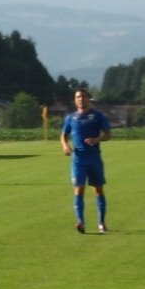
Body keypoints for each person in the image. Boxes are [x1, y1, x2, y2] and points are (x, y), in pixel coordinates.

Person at [61, 89, 112, 233]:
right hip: (78, 159)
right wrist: (65, 146)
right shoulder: (71, 118)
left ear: (88, 99)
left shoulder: (97, 116)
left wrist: (97, 139)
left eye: (83, 97)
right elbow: (63, 135)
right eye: (78, 97)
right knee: (79, 189)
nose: (80, 99)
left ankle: (101, 222)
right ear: (74, 100)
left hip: (94, 158)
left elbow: (108, 134)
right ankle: (80, 222)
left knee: (98, 189)